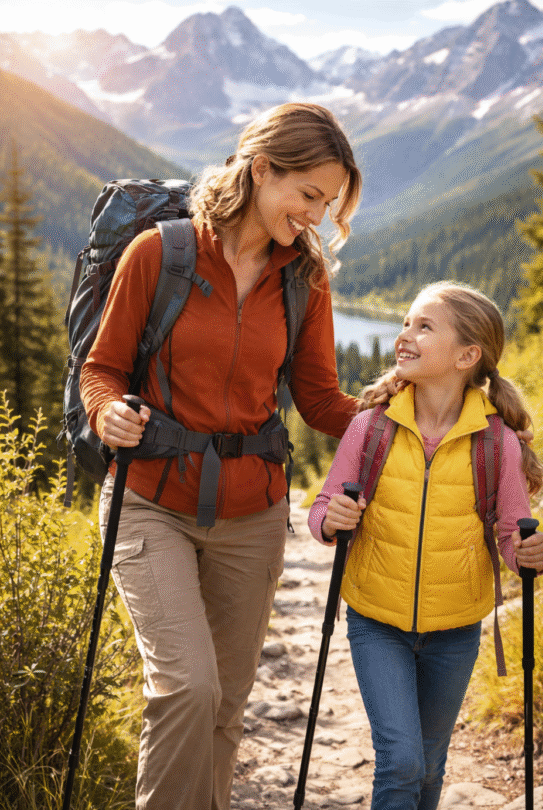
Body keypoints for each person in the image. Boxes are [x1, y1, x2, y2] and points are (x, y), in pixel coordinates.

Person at [80, 102, 362, 810]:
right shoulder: (160, 255)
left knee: (225, 709)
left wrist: (400, 416)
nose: (315, 216)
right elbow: (102, 368)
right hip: (150, 501)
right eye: (308, 195)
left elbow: (319, 399)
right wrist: (107, 410)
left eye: (327, 204)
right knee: (187, 687)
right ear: (262, 169)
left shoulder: (303, 277)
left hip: (252, 515)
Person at [308, 281, 543, 810]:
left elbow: (512, 537)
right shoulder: (371, 427)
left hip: (455, 629)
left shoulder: (496, 443)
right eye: (405, 323)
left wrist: (529, 554)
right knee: (402, 762)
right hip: (376, 621)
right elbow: (322, 509)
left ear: (467, 356)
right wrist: (332, 520)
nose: (405, 335)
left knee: (430, 765)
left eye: (424, 327)